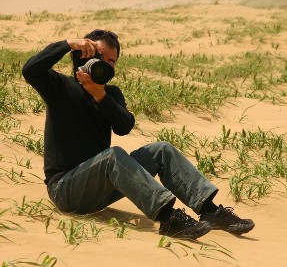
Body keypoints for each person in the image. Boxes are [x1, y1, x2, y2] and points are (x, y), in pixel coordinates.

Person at [22, 29, 255, 240]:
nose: (106, 65)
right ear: (82, 55)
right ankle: (168, 218)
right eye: (101, 57)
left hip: (100, 188)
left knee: (161, 150)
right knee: (112, 156)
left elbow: (124, 126)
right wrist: (67, 44)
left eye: (112, 62)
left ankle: (210, 211)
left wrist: (100, 96)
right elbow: (30, 69)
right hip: (65, 189)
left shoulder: (110, 94)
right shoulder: (60, 87)